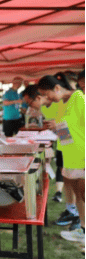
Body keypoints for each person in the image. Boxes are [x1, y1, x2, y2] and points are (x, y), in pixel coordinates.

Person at [22, 84, 79, 230]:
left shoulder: (66, 102)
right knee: (67, 179)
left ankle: (77, 217)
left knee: (75, 183)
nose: (31, 107)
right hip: (64, 146)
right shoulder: (49, 107)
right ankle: (72, 210)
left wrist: (58, 129)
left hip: (71, 148)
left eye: (30, 103)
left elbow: (68, 130)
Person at [37, 73, 85, 244]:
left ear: (57, 88)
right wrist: (58, 130)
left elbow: (81, 125)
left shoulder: (78, 98)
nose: (46, 98)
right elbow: (66, 134)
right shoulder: (63, 103)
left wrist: (59, 126)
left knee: (82, 194)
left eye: (47, 94)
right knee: (78, 195)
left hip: (81, 154)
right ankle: (82, 229)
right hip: (70, 153)